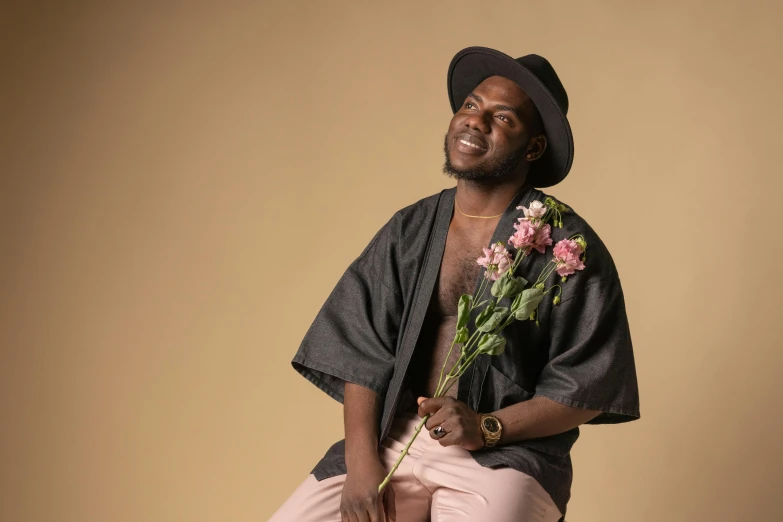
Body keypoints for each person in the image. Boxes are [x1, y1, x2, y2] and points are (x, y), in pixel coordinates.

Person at [268, 46, 640, 522]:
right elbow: (359, 348)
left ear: (533, 147)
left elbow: (588, 383)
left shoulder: (565, 246)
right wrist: (362, 467)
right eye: (470, 105)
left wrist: (487, 427)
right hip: (392, 438)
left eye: (501, 117)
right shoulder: (411, 228)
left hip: (505, 454)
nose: (475, 121)